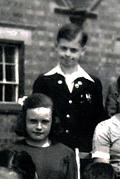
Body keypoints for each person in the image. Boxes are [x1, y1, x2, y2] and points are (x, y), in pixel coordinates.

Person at [33, 23, 107, 156]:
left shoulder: (92, 84)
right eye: (64, 48)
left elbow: (99, 122)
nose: (68, 54)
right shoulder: (44, 82)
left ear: (82, 51)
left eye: (73, 50)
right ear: (56, 47)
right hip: (51, 152)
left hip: (83, 153)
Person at [11, 93, 79, 179]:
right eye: (33, 121)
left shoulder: (65, 153)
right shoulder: (12, 150)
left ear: (53, 122)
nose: (39, 127)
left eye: (45, 122)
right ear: (24, 121)